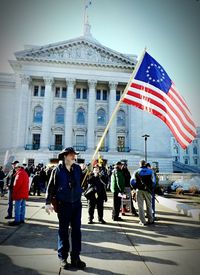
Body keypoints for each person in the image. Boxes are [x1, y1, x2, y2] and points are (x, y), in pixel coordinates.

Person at [45, 147, 86, 270]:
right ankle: (63, 257)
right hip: (64, 205)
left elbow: (81, 182)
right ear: (65, 156)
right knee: (63, 232)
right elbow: (51, 186)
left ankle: (75, 258)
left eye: (75, 155)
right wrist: (47, 202)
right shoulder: (57, 170)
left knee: (76, 231)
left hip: (77, 204)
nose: (74, 157)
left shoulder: (77, 168)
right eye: (72, 155)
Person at [132, 160, 154, 226]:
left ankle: (142, 221)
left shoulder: (136, 171)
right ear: (145, 164)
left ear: (140, 164)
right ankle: (150, 219)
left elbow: (132, 182)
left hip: (139, 190)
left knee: (140, 206)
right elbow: (154, 181)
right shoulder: (150, 171)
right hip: (148, 190)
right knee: (149, 205)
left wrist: (135, 188)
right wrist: (150, 188)